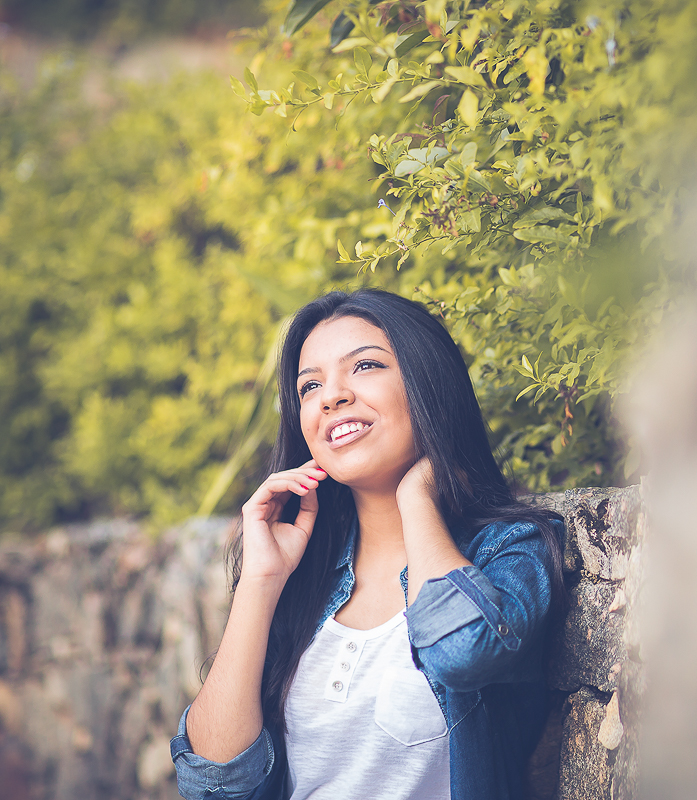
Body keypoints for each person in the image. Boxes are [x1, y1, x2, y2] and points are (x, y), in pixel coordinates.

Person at [170, 288, 565, 800]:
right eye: (310, 385)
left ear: (428, 385)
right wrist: (260, 583)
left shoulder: (509, 551)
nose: (331, 396)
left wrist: (417, 495)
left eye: (365, 366)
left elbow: (461, 653)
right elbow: (212, 785)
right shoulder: (305, 576)